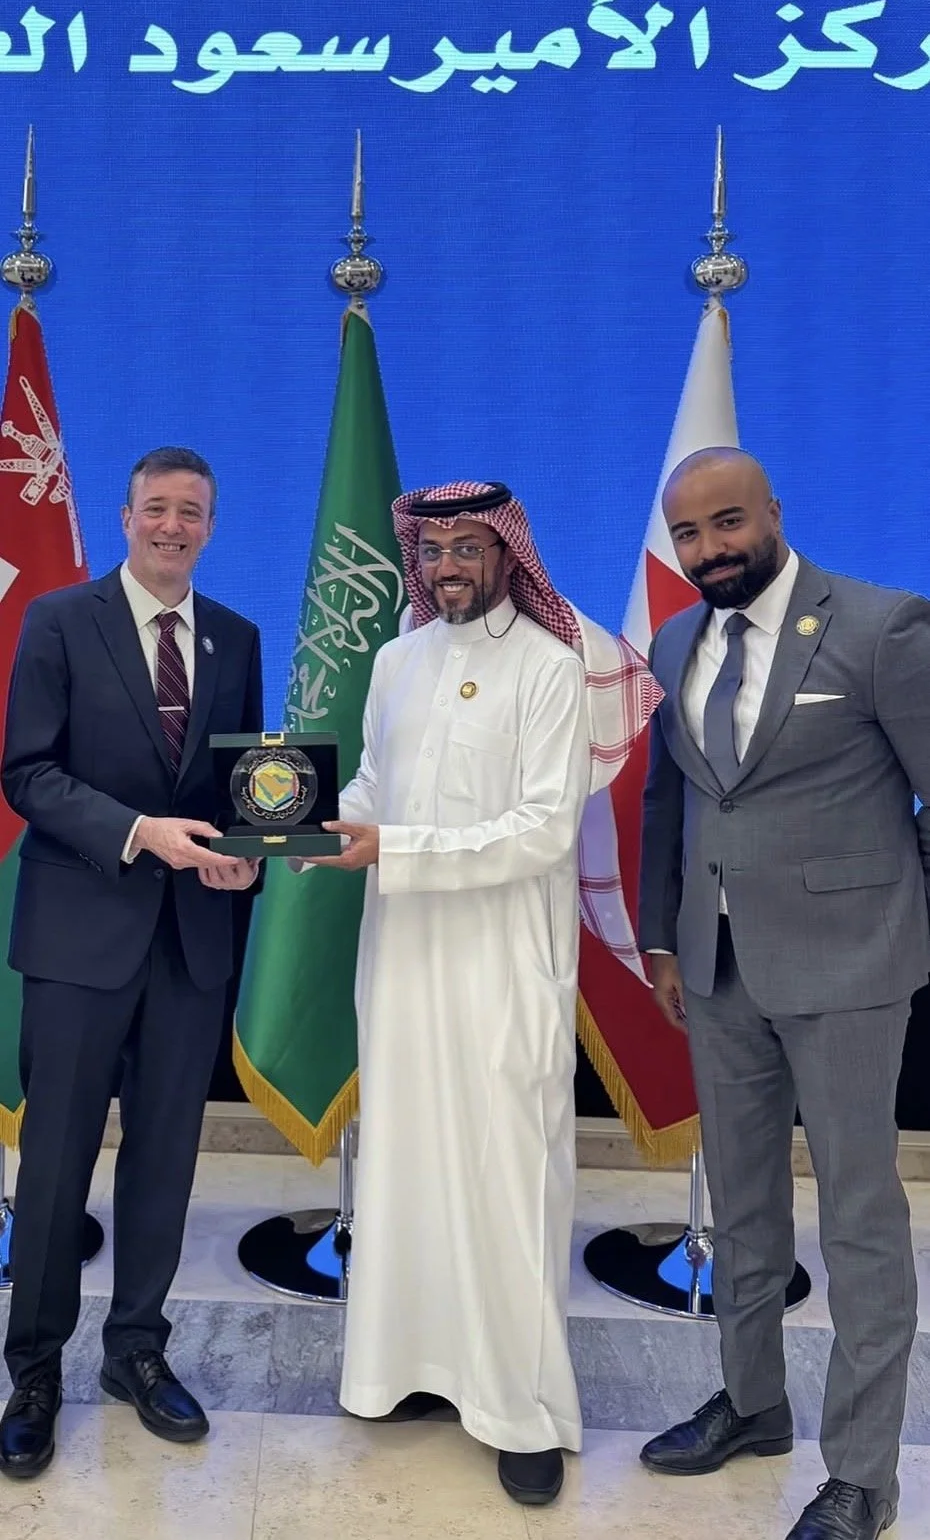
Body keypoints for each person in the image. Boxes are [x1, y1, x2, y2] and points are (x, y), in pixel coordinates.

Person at [296, 479, 660, 1506]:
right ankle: (404, 1371)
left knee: (505, 1178)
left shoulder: (553, 670)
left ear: (509, 556)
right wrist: (322, 825)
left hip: (504, 963)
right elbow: (374, 782)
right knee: (406, 1167)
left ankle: (518, 1409)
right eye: (437, 548)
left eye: (470, 546)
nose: (451, 564)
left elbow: (543, 831)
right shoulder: (395, 659)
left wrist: (392, 843)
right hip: (403, 954)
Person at [637, 446, 930, 1540]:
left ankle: (862, 1476)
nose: (710, 549)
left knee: (860, 1223)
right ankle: (754, 1403)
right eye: (689, 536)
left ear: (772, 513)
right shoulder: (676, 639)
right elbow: (670, 803)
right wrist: (668, 942)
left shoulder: (881, 625)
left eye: (727, 524)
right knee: (743, 1210)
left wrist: (911, 932)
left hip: (851, 969)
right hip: (715, 969)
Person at [0, 446, 262, 1481]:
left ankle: (137, 1354)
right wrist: (140, 830)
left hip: (190, 947)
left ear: (210, 524)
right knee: (57, 1166)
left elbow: (250, 788)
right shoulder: (59, 620)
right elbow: (27, 772)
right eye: (156, 508)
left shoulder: (236, 636)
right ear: (124, 516)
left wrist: (247, 863)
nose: (172, 525)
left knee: (165, 1163)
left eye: (191, 511)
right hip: (78, 939)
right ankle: (31, 1373)